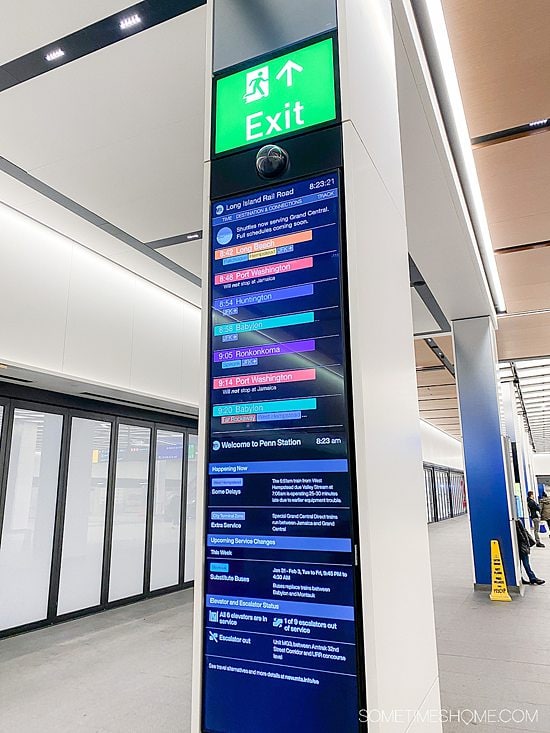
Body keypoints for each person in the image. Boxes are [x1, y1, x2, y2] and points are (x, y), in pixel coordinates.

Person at [516, 519, 545, 585]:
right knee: (526, 563)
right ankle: (532, 578)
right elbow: (522, 535)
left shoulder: (516, 522)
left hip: (520, 545)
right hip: (522, 545)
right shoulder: (518, 522)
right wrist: (526, 543)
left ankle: (522, 577)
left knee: (522, 563)